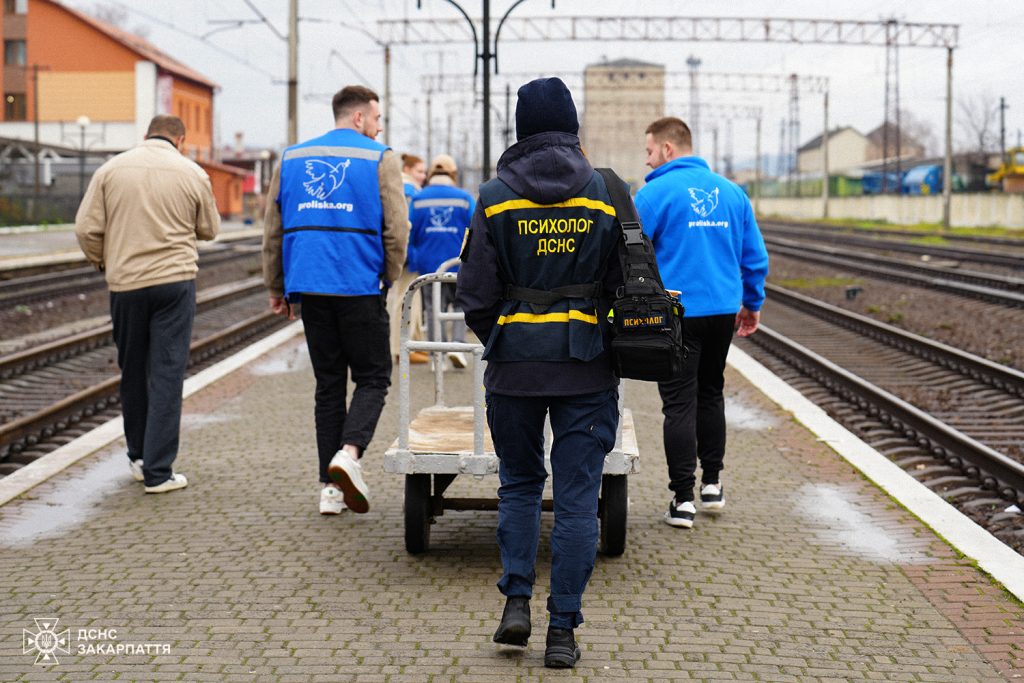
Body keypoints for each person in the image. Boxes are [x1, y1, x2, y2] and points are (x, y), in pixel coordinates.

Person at [456, 77, 624, 669]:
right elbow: (627, 284)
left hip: (515, 370)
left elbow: (474, 295)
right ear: (572, 126)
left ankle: (516, 604)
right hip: (586, 369)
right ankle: (562, 632)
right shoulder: (606, 192)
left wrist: (505, 338)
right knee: (577, 501)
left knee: (520, 485)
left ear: (521, 127)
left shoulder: (494, 195)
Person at [262, 85, 409, 516]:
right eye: (377, 119)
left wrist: (276, 286)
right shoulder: (380, 158)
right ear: (359, 118)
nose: (379, 128)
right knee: (374, 377)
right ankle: (349, 453)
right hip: (359, 284)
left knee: (328, 385)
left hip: (309, 285)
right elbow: (397, 228)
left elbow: (273, 229)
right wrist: (389, 276)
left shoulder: (291, 158)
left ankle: (330, 490)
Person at [634, 116, 769, 529]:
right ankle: (712, 484)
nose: (647, 160)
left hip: (676, 313)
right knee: (711, 393)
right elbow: (754, 256)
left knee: (678, 403)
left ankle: (682, 501)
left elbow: (630, 252)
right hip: (722, 312)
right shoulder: (733, 193)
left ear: (668, 149)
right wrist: (752, 302)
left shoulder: (653, 194)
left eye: (649, 151)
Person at [74, 114, 220, 494]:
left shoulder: (111, 170)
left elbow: (86, 229)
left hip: (126, 286)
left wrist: (104, 261)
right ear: (181, 140)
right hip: (174, 284)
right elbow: (210, 229)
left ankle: (139, 458)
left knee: (133, 371)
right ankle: (159, 473)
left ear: (146, 135)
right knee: (167, 374)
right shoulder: (192, 172)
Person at [408, 153, 475, 369]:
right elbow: (476, 229)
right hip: (458, 263)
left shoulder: (418, 199)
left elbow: (410, 232)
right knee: (460, 305)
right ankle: (457, 345)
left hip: (428, 265)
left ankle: (438, 355)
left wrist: (414, 260)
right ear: (453, 173)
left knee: (432, 308)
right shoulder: (464, 198)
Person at [388, 153, 429, 365]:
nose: (423, 176)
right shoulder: (410, 191)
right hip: (407, 251)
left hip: (400, 249)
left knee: (408, 295)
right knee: (406, 297)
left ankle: (413, 343)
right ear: (407, 169)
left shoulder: (398, 186)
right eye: (419, 171)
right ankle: (400, 348)